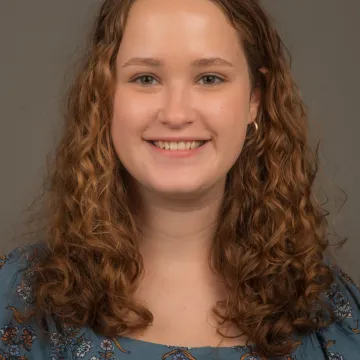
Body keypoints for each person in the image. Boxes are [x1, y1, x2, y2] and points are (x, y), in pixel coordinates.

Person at [0, 0, 359, 359]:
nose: (176, 114)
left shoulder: (330, 313)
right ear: (104, 96)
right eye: (145, 78)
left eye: (209, 78)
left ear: (254, 100)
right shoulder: (16, 298)